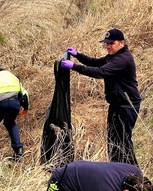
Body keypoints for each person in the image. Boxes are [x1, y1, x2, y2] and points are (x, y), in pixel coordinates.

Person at [60, 28, 141, 165]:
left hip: (126, 106)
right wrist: (78, 55)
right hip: (117, 104)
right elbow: (96, 62)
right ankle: (118, 171)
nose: (108, 46)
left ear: (121, 43)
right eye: (106, 43)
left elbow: (99, 72)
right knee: (113, 141)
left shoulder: (122, 59)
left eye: (111, 43)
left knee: (122, 143)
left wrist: (74, 67)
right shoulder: (113, 56)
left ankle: (132, 174)